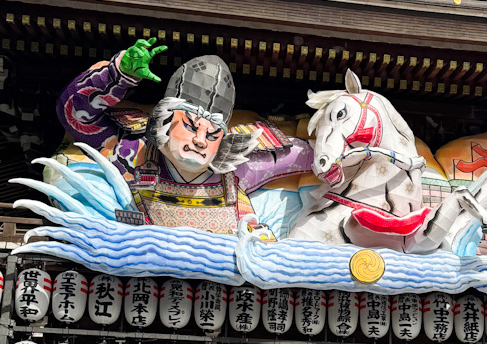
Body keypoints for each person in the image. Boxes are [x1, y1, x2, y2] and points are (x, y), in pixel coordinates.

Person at [57, 41, 313, 233]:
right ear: (164, 120)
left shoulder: (240, 168)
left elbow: (309, 155)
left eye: (212, 133)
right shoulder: (131, 151)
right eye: (191, 127)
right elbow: (76, 115)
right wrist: (117, 74)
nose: (201, 140)